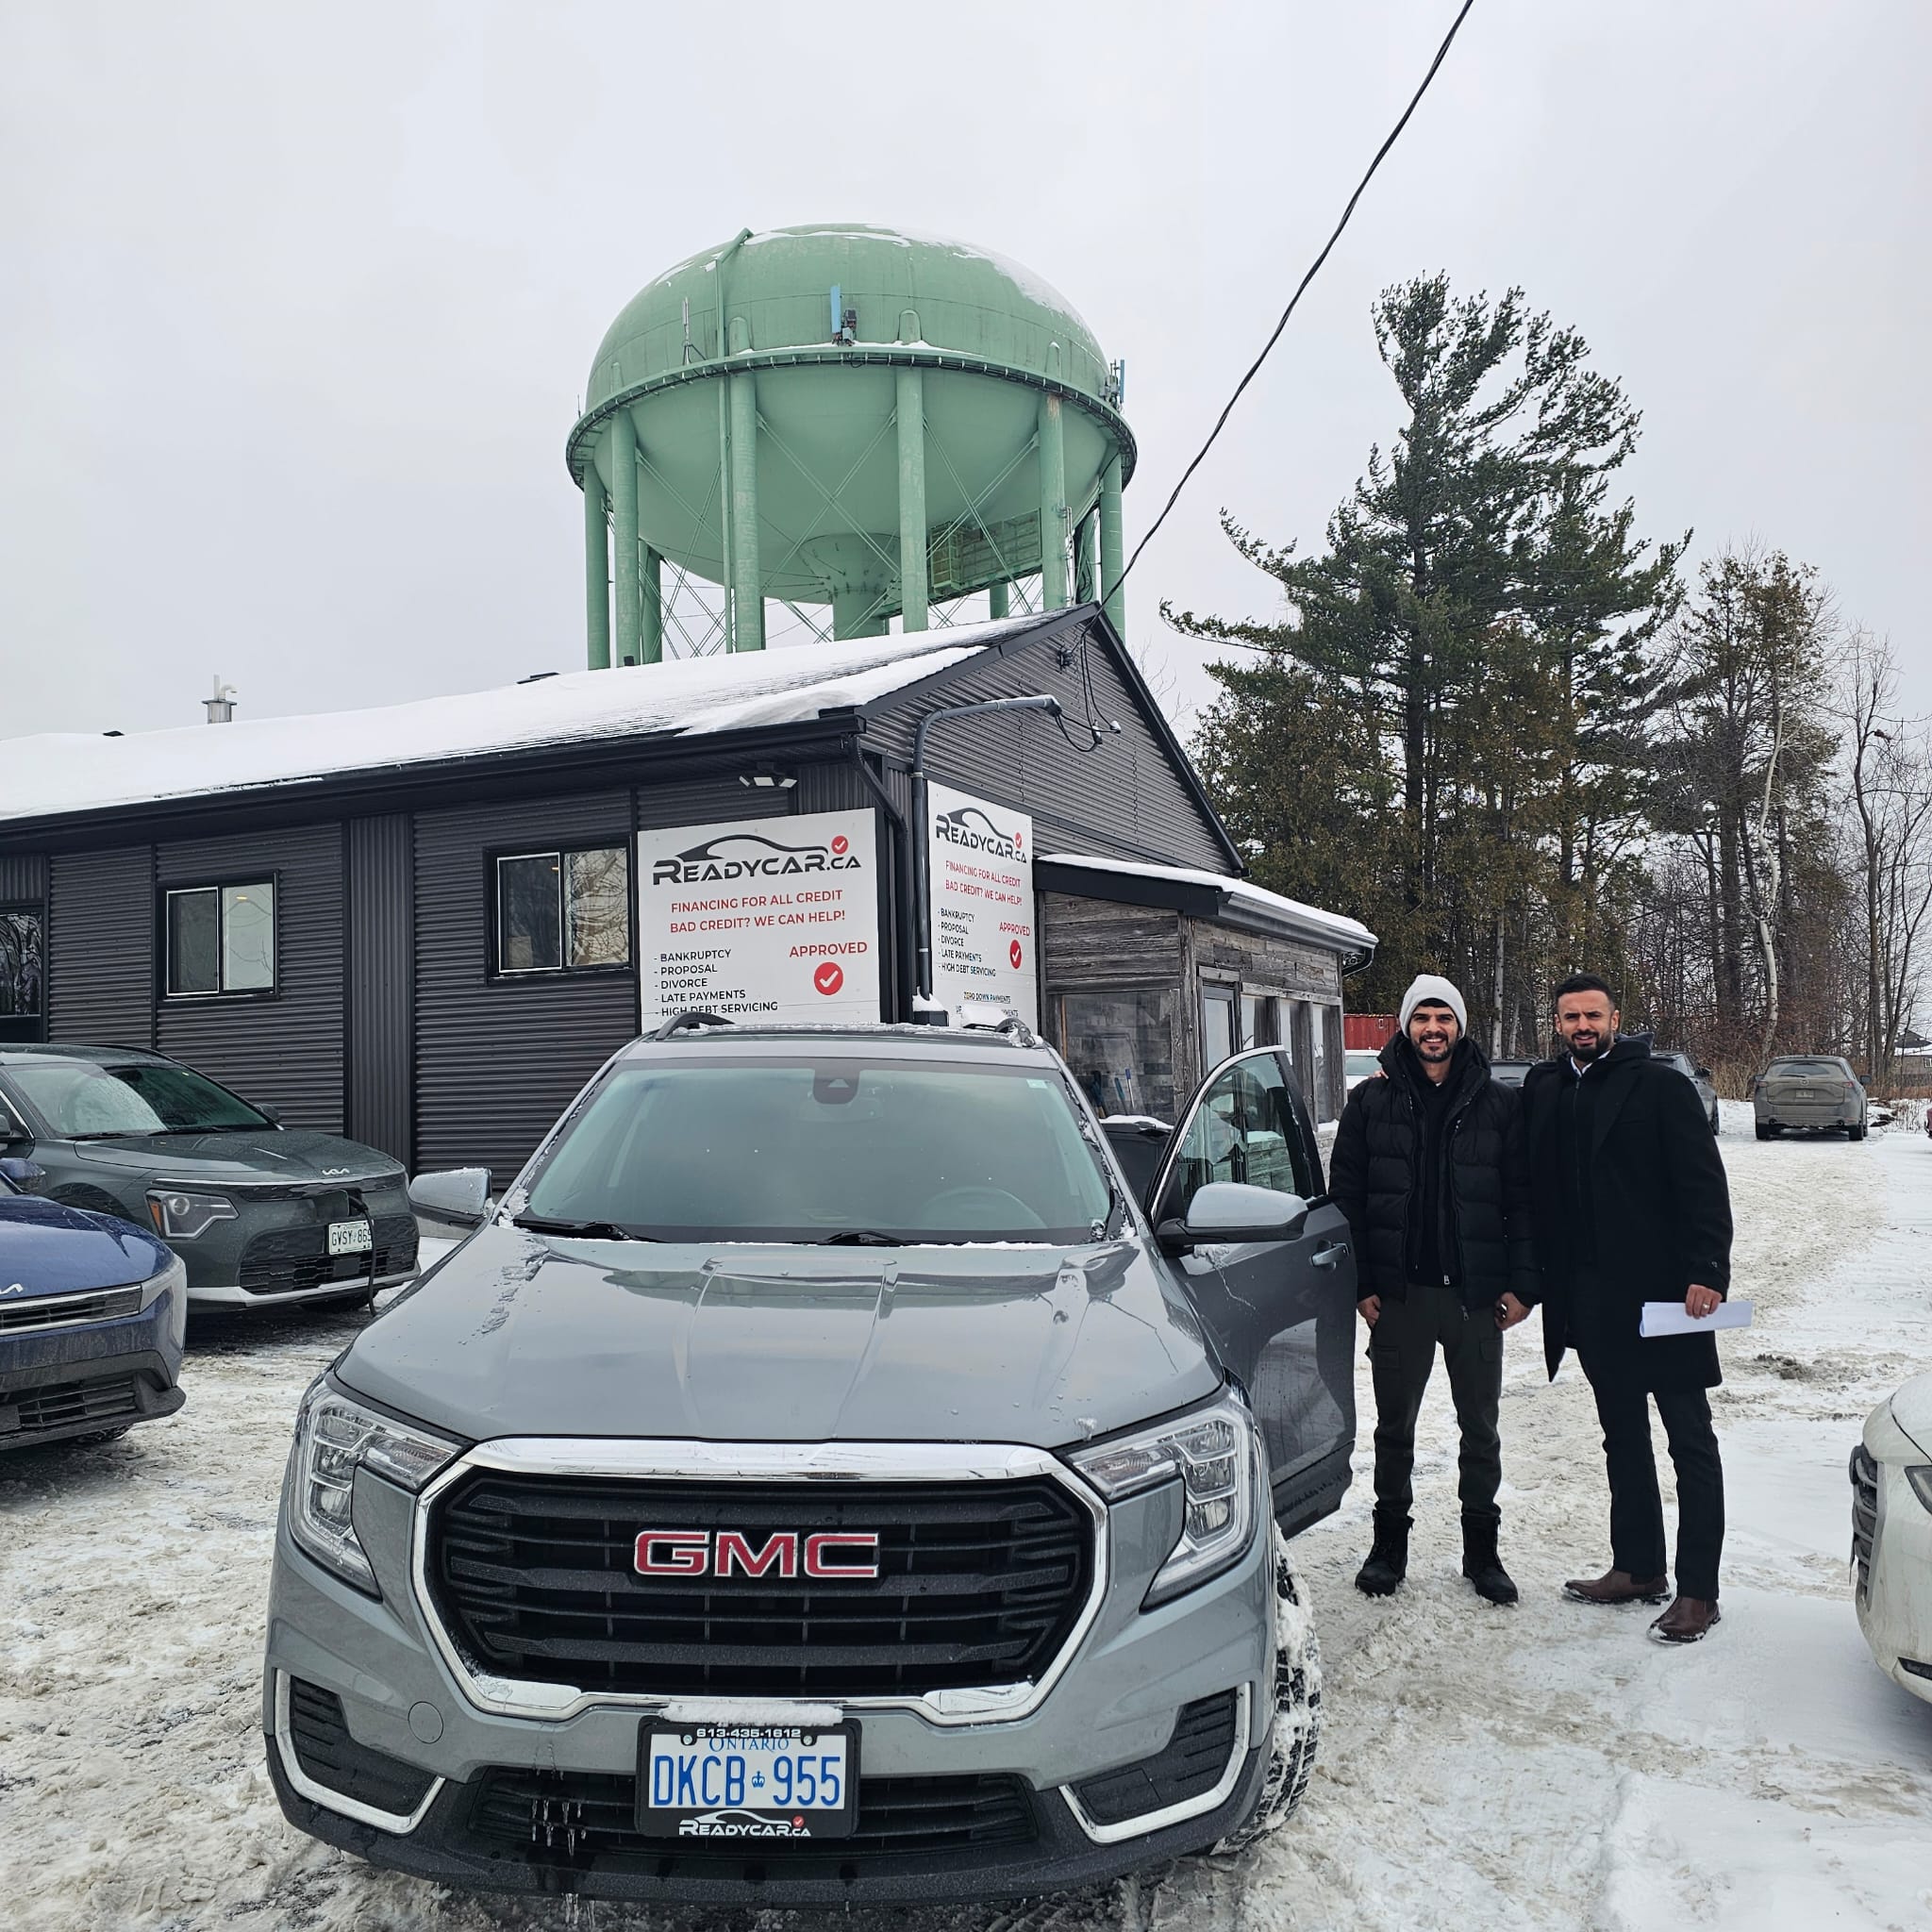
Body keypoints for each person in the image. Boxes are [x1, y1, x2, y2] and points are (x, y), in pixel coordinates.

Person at [1521, 974, 1734, 1643]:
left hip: (1667, 1298)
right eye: (1570, 1016)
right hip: (1589, 1299)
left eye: (1593, 1015)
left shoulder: (1662, 1087)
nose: (1582, 1025)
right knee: (1623, 1440)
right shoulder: (1548, 1089)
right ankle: (1639, 1568)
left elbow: (1704, 1186)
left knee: (1689, 1441)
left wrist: (1707, 1271)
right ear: (1556, 1024)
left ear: (1617, 1018)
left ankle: (1699, 1590)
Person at [1329, 974, 1539, 1605]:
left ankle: (1483, 1552)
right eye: (1421, 1017)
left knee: (1481, 1429)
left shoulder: (1500, 1105)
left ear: (1460, 1026)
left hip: (1476, 1298)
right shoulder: (1370, 1103)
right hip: (1400, 1298)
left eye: (1443, 1017)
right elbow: (1349, 1201)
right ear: (1405, 1025)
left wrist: (1524, 1285)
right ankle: (1388, 1546)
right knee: (1394, 1429)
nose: (1432, 1029)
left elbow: (1523, 1204)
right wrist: (1362, 1282)